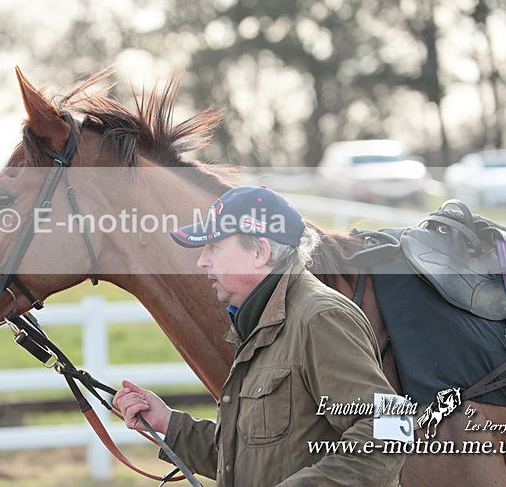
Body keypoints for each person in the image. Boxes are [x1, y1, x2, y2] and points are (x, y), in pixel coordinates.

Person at [113, 186, 404, 485]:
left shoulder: (319, 318)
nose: (202, 261)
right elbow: (248, 460)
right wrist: (167, 423)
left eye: (214, 246)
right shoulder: (260, 321)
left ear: (259, 252)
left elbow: (390, 430)